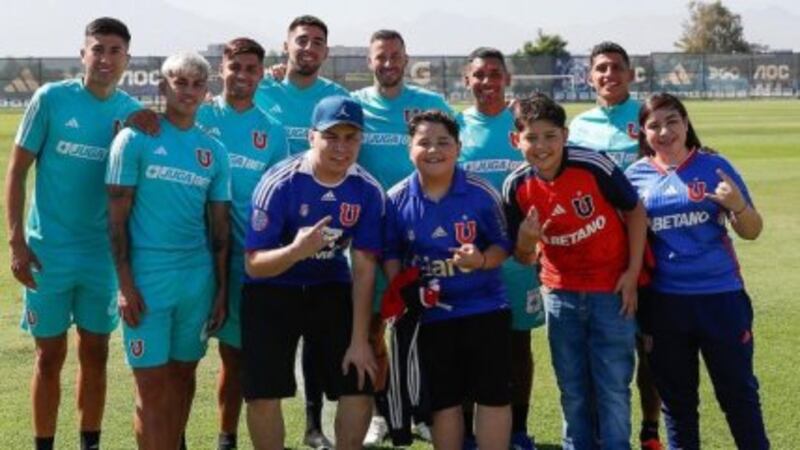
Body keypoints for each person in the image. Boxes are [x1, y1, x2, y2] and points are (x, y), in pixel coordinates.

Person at [4, 17, 142, 450]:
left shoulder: (131, 115)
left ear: (127, 59)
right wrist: (16, 241)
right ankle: (44, 444)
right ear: (83, 54)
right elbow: (17, 171)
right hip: (48, 253)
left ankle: (89, 443)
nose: (105, 58)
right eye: (97, 49)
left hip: (101, 257)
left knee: (96, 354)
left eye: (114, 50)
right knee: (48, 357)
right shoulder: (51, 100)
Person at [625, 93, 769, 450]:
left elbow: (751, 230)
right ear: (644, 133)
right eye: (654, 125)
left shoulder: (714, 166)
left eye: (672, 121)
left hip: (720, 298)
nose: (664, 131)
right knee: (677, 402)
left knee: (738, 393)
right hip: (663, 304)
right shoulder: (635, 176)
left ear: (686, 123)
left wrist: (736, 205)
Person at [503, 94, 647, 450]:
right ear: (515, 140)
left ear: (565, 136)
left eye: (550, 136)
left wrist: (631, 274)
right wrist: (524, 243)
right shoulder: (516, 186)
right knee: (573, 389)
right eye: (531, 137)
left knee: (612, 387)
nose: (541, 146)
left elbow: (635, 212)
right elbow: (522, 258)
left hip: (610, 291)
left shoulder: (593, 164)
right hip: (560, 296)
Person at [242, 96, 382, 450]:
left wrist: (359, 340)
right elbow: (253, 264)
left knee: (359, 382)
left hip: (330, 285)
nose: (341, 147)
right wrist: (295, 251)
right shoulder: (280, 183)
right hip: (272, 289)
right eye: (331, 136)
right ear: (311, 136)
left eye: (351, 137)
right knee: (262, 392)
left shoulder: (367, 190)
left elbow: (364, 269)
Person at [106, 52, 231, 450]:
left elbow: (219, 229)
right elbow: (116, 219)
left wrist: (222, 290)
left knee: (181, 380)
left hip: (196, 281)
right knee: (151, 390)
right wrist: (124, 283)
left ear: (206, 91)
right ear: (163, 87)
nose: (188, 91)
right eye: (179, 82)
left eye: (197, 84)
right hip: (147, 280)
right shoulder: (134, 139)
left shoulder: (214, 152)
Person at [384, 110, 513, 450]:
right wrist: (402, 288)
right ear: (409, 148)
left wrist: (482, 259)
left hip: (486, 308)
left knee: (493, 397)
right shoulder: (396, 199)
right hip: (433, 318)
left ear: (458, 147)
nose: (434, 150)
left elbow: (503, 244)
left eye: (443, 142)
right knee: (444, 402)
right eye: (423, 142)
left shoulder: (481, 192)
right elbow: (391, 254)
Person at [350, 28, 452, 445]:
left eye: (395, 55)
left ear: (406, 58)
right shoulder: (354, 105)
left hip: (425, 230)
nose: (388, 63)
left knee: (426, 325)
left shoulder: (431, 104)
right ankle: (381, 412)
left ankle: (424, 410)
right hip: (370, 234)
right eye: (380, 56)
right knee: (374, 326)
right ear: (369, 61)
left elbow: (453, 147)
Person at [568, 41, 663, 450]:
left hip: (651, 244)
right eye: (601, 69)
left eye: (617, 68)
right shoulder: (579, 125)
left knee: (651, 345)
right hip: (598, 253)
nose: (609, 75)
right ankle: (600, 431)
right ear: (590, 77)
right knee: (603, 348)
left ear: (631, 74)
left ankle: (650, 428)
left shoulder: (646, 116)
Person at [195, 38, 289, 450]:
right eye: (236, 67)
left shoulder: (271, 130)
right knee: (182, 358)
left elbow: (280, 195)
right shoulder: (197, 115)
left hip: (243, 258)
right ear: (222, 69)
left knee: (236, 355)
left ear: (260, 74)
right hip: (190, 255)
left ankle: (226, 436)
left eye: (252, 69)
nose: (243, 76)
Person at [457, 47, 544, 450]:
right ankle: (471, 432)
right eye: (479, 75)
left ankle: (519, 428)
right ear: (466, 79)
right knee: (470, 345)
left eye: (495, 74)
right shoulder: (457, 126)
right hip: (471, 257)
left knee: (517, 345)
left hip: (519, 255)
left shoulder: (524, 126)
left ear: (507, 79)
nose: (487, 82)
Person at [254, 15, 349, 156]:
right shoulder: (259, 90)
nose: (309, 48)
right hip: (266, 177)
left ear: (326, 52)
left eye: (317, 43)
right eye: (302, 41)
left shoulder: (339, 98)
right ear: (286, 47)